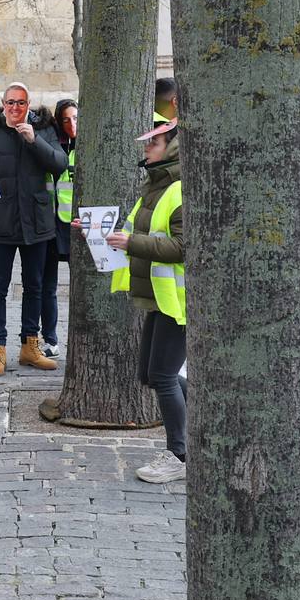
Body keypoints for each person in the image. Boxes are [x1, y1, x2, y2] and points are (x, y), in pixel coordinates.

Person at [103, 120, 188, 484]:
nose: (147, 149)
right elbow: (137, 231)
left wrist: (129, 243)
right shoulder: (156, 186)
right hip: (159, 298)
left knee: (163, 376)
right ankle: (204, 420)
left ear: (171, 147)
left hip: (178, 302)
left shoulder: (180, 189)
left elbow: (184, 248)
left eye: (153, 143)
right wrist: (96, 232)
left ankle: (180, 454)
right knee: (150, 375)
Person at [0, 83, 68, 375]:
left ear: (28, 105)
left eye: (21, 103)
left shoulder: (44, 131)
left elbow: (60, 164)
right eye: (10, 103)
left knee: (34, 286)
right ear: (3, 104)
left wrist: (34, 140)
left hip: (37, 223)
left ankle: (30, 345)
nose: (15, 108)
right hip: (0, 222)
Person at [36, 99, 78, 359]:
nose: (72, 124)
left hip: (77, 226)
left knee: (80, 285)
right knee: (47, 286)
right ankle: (50, 339)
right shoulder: (53, 148)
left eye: (76, 118)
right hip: (52, 226)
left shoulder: (86, 146)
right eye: (66, 119)